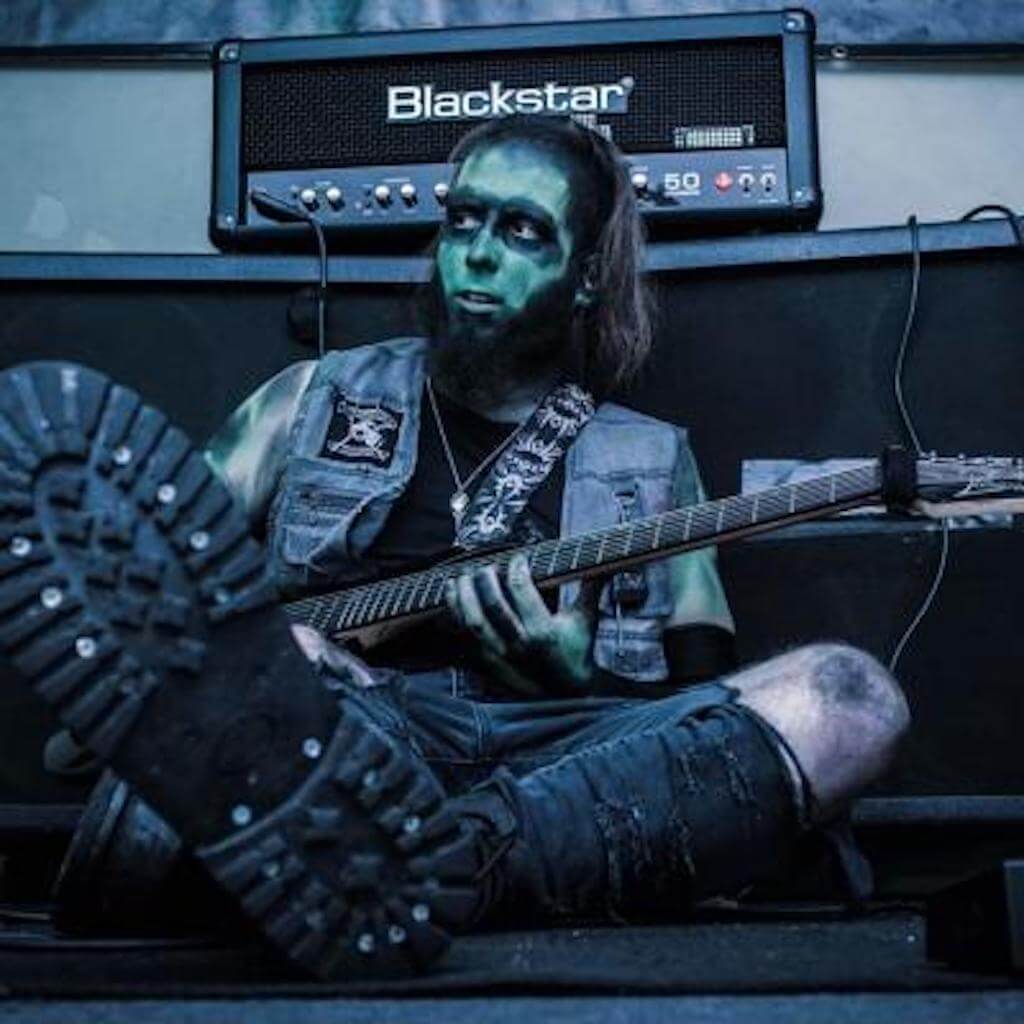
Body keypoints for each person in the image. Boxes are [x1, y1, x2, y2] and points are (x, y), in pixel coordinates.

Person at [2, 115, 909, 979]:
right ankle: (425, 861)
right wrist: (286, 660)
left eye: (522, 231)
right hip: (354, 740)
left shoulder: (655, 462)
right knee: (275, 660)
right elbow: (157, 591)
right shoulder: (311, 399)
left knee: (849, 699)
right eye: (464, 219)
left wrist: (575, 680)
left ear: (585, 278)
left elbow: (693, 719)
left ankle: (432, 870)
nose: (476, 252)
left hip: (569, 771)